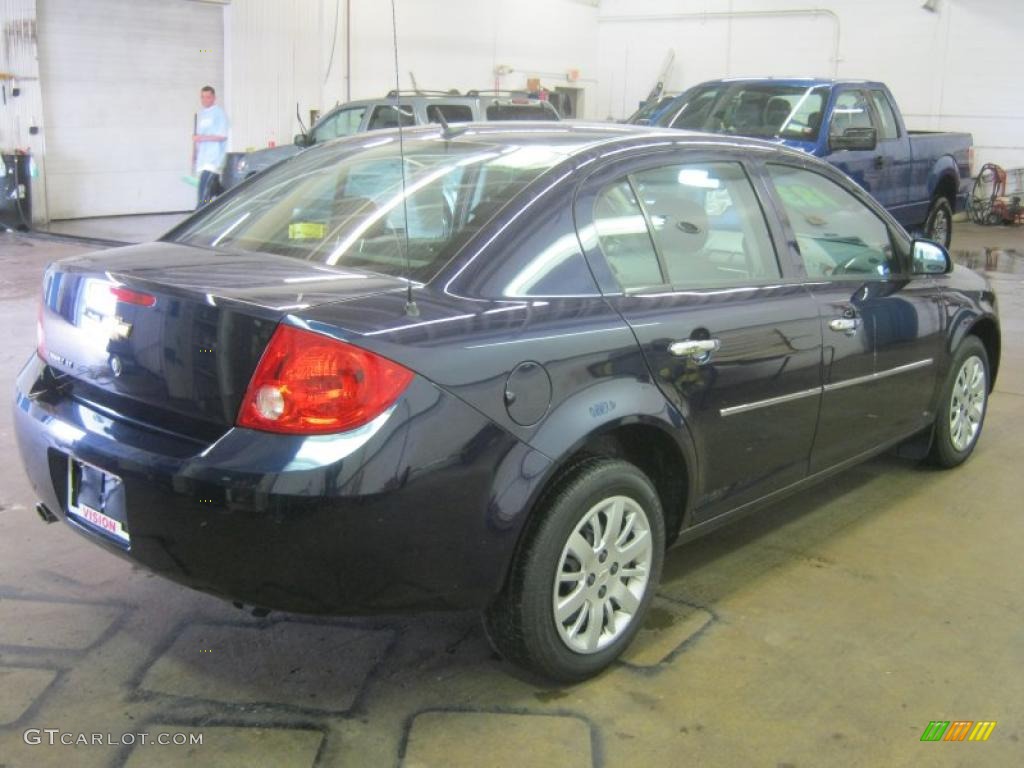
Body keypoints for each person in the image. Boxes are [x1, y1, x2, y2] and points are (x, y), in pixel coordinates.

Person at [193, 86, 228, 208]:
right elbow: (198, 137)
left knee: (203, 193)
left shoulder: (219, 113)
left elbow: (222, 136)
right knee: (216, 190)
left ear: (213, 98)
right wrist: (195, 155)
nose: (205, 100)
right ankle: (231, 201)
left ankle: (198, 217)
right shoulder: (202, 114)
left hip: (213, 159)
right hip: (203, 159)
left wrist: (202, 138)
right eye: (202, 97)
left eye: (208, 97)